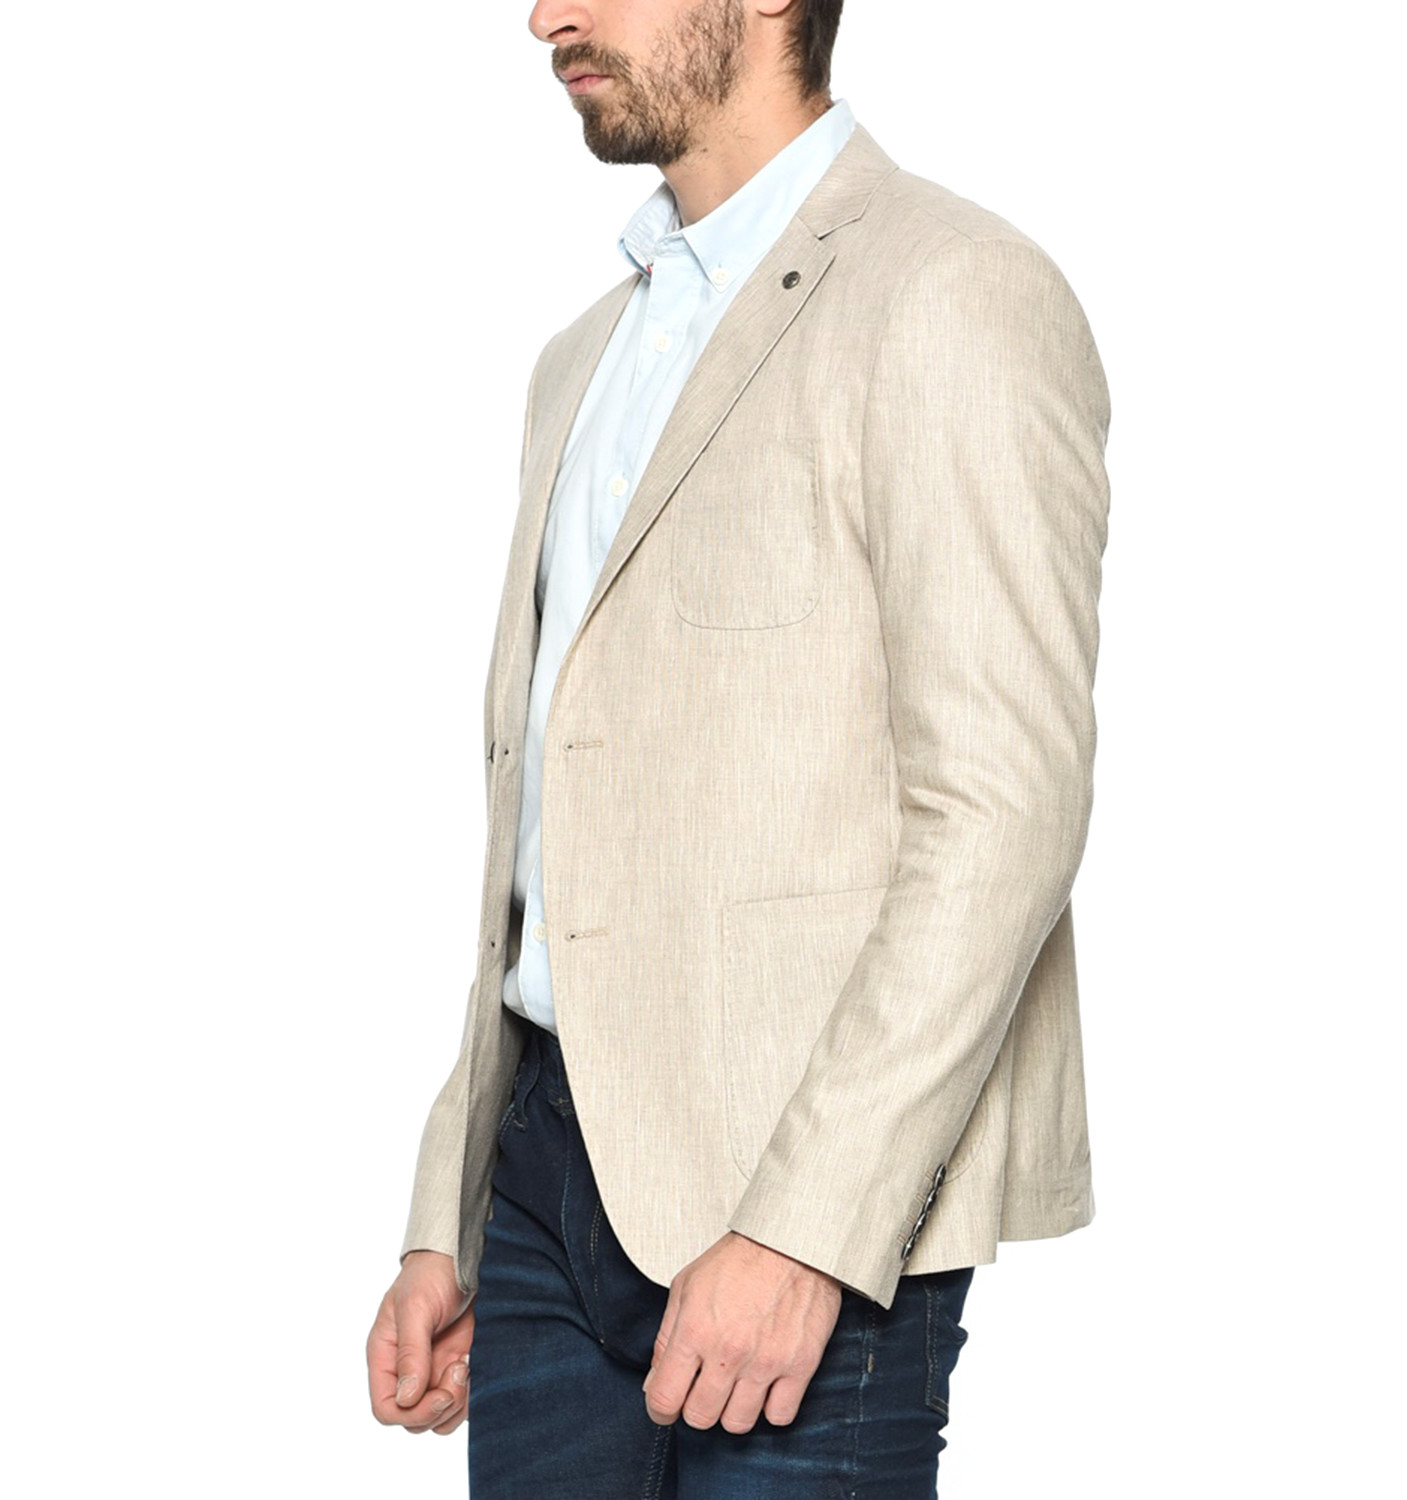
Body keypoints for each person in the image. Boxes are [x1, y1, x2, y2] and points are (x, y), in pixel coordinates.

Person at [366, 1, 1111, 1494]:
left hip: (805, 1209)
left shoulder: (952, 293)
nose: (546, 15)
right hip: (540, 1192)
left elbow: (1004, 805)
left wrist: (804, 1230)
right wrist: (450, 1208)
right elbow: (541, 817)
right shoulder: (581, 359)